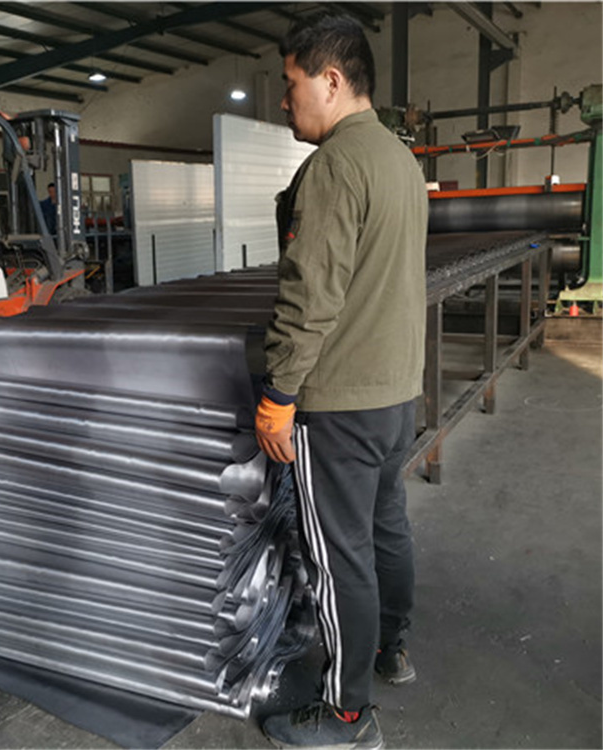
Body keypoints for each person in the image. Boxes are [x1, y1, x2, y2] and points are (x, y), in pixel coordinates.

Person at [254, 13, 427, 749]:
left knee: (338, 559)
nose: (284, 100)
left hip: (342, 407)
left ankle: (348, 714)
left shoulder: (334, 166)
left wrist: (278, 395)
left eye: (290, 83)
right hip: (396, 395)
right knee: (386, 530)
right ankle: (392, 650)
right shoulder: (398, 158)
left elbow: (309, 297)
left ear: (330, 80)